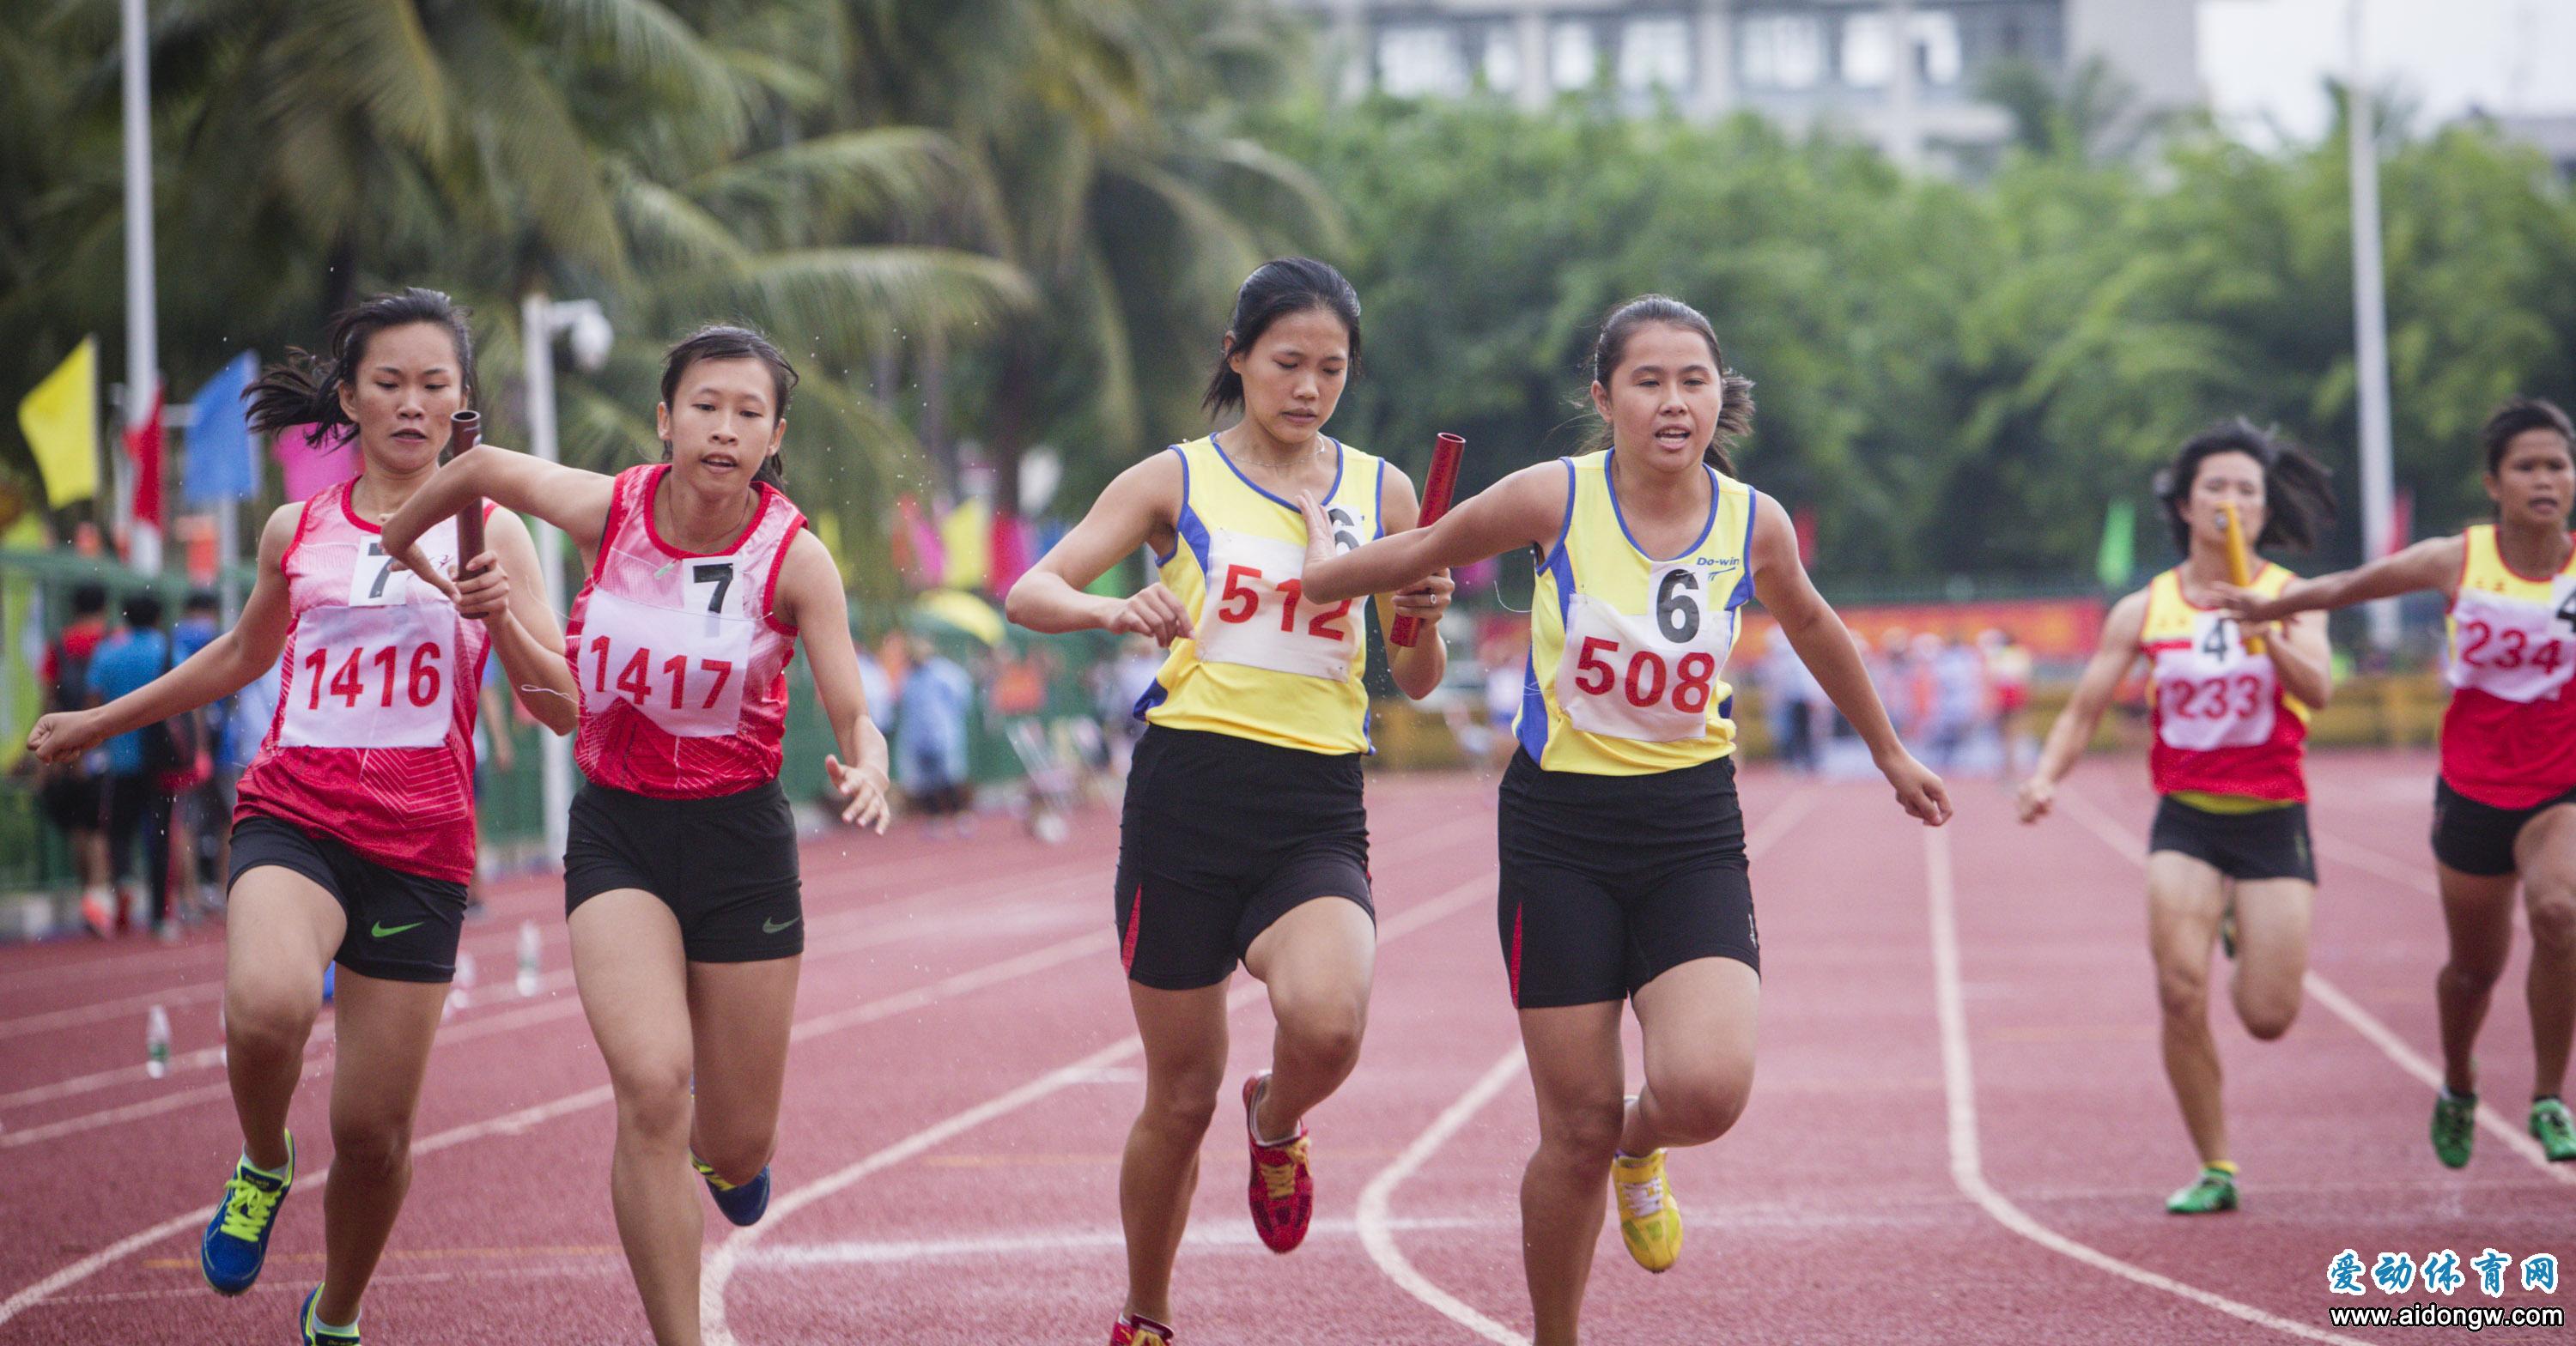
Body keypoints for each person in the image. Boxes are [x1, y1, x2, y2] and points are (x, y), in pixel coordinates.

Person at [1293, 294, 1947, 1346]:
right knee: (1575, 1123)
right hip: (1560, 834)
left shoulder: (1754, 521)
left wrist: (1888, 750)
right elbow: (1428, 548)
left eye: (1694, 380)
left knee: (1705, 1089)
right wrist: (1305, 584)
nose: (1674, 401)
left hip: (1690, 824)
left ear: (1719, 399)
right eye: (1648, 381)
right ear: (1605, 398)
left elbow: (1816, 624)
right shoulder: (1556, 496)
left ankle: (1644, 1149)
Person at [27, 288, 579, 1346]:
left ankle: (335, 1311)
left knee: (372, 1133)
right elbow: (241, 656)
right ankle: (264, 1158)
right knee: (269, 1005)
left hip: (421, 845)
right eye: (388, 382)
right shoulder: (302, 526)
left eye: (434, 384)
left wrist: (501, 621)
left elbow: (558, 707)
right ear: (349, 397)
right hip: (297, 811)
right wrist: (101, 721)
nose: (411, 403)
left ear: (465, 404)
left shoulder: (496, 533)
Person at [380, 323, 892, 1346]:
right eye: (705, 405)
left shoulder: (795, 557)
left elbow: (850, 704)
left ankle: (731, 1159)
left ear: (774, 435)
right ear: (665, 418)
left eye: (749, 413)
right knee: (652, 1085)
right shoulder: (605, 508)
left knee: (737, 1142)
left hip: (740, 841)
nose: (723, 428)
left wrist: (868, 762)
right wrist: (407, 546)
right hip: (619, 831)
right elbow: (476, 463)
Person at [1005, 258, 1452, 1346]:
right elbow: (1031, 589)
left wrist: (1422, 613)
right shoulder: (1178, 479)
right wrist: (1114, 614)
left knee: (1331, 1020)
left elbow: (1422, 676)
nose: (1308, 387)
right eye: (1288, 362)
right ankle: (1146, 1315)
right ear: (1238, 355)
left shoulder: (1384, 490)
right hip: (1186, 798)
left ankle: (1281, 1117)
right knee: (1179, 1090)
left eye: (1332, 369)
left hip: (1312, 801)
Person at [2221, 397, 2576, 1167]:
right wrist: (2270, 606)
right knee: (2473, 971)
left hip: (2561, 787)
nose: (2545, 480)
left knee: (2559, 912)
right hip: (2474, 789)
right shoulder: (2458, 560)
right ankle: (2457, 1081)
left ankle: (2550, 1097)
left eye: (2558, 465)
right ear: (2495, 482)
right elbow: (2352, 585)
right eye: (2527, 467)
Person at [2018, 420, 2336, 1213]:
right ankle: (2217, 1165)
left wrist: (2268, 626)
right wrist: (2047, 777)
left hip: (2272, 815)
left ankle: (2242, 922)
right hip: (2186, 818)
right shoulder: (2145, 608)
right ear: (2187, 506)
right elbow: (2085, 706)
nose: (2231, 503)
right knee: (2180, 988)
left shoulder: (2296, 596)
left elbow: (2319, 691)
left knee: (2267, 1016)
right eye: (2216, 489)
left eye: (2246, 491)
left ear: (2265, 509)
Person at [87, 590, 201, 939]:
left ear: (124, 617)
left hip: (121, 759)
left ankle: (122, 879)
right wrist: (196, 750)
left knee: (119, 830)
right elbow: (191, 698)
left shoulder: (108, 652)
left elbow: (93, 701)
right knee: (162, 836)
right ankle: (159, 917)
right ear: (156, 618)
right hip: (162, 760)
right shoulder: (167, 650)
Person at [36, 581, 112, 933]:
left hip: (66, 742)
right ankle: (100, 896)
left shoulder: (59, 644)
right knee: (100, 825)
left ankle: (89, 895)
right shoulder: (113, 639)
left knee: (81, 825)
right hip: (109, 743)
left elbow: (48, 695)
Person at [895, 634, 975, 835]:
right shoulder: (910, 677)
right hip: (918, 738)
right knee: (925, 782)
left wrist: (949, 720)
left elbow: (962, 695)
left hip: (942, 735)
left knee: (950, 778)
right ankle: (934, 818)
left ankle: (960, 815)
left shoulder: (943, 672)